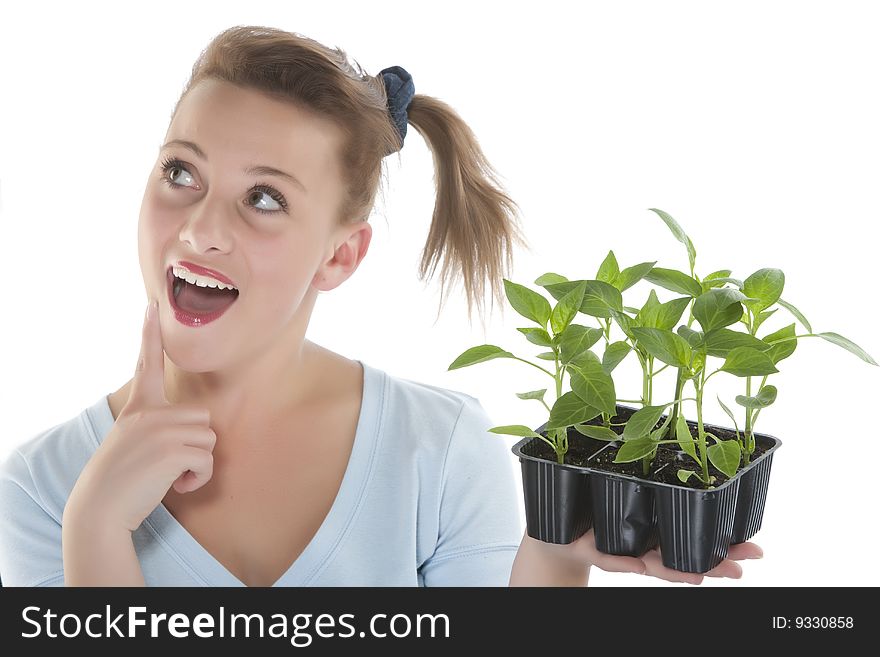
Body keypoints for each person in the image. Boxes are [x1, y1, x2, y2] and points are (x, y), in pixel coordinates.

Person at [0, 25, 761, 587]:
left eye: (263, 198)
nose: (200, 228)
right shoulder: (47, 487)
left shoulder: (440, 452)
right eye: (180, 171)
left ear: (340, 255)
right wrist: (95, 530)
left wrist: (559, 553)